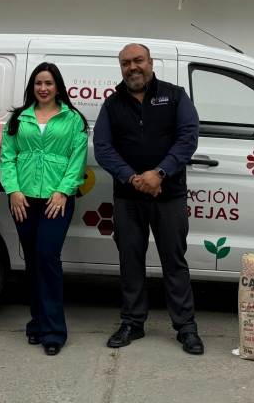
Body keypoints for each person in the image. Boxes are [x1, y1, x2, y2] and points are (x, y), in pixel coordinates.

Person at [93, 43, 204, 355]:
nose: (132, 67)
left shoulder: (176, 95)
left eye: (138, 60)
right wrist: (133, 178)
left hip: (169, 196)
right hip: (128, 199)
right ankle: (132, 322)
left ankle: (186, 327)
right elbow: (103, 147)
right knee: (130, 261)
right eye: (126, 62)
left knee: (174, 261)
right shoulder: (112, 104)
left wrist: (160, 173)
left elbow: (188, 137)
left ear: (150, 62)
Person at [0, 62, 88, 356]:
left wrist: (64, 191)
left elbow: (77, 158)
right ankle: (36, 323)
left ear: (58, 86)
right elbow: (7, 157)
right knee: (33, 261)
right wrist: (13, 191)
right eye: (38, 83)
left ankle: (53, 331)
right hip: (23, 200)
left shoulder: (72, 118)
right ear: (32, 87)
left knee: (47, 256)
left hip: (56, 200)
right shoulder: (19, 118)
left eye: (49, 83)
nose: (43, 88)